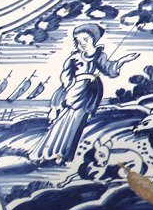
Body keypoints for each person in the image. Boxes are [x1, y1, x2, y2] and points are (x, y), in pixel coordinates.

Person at [35, 24, 138, 164]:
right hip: (73, 93)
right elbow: (66, 77)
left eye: (85, 39)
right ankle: (48, 153)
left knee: (76, 125)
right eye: (78, 41)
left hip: (89, 94)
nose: (81, 43)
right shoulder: (75, 57)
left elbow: (109, 69)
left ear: (93, 39)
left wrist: (122, 61)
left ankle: (63, 155)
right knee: (62, 123)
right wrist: (83, 77)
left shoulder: (99, 55)